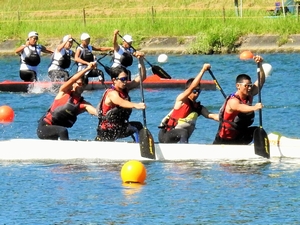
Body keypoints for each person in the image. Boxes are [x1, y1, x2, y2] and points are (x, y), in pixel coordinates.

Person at [158, 63, 219, 143]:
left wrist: (227, 119)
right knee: (184, 132)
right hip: (166, 135)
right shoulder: (182, 100)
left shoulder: (199, 108)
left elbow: (212, 116)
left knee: (184, 133)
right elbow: (192, 87)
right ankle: (185, 152)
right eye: (194, 91)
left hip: (178, 137)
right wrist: (203, 70)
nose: (197, 93)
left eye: (199, 91)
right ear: (188, 91)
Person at [37, 62, 98, 140]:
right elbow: (73, 79)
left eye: (83, 85)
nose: (81, 86)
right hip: (44, 127)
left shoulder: (83, 104)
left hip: (55, 131)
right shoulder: (64, 91)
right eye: (79, 83)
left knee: (61, 131)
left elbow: (97, 112)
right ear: (73, 84)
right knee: (63, 131)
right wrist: (88, 69)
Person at [213, 55, 265, 145]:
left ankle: (259, 149)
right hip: (225, 139)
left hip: (239, 135)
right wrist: (255, 107)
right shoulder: (233, 101)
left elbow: (261, 80)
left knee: (257, 130)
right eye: (246, 86)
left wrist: (260, 65)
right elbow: (240, 107)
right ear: (238, 86)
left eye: (250, 85)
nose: (249, 88)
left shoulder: (250, 94)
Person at [95, 56, 147, 142]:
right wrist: (136, 105)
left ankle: (140, 146)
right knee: (135, 128)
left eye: (126, 79)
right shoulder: (111, 94)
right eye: (122, 79)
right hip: (107, 131)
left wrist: (141, 60)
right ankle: (139, 146)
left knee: (138, 126)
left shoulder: (125, 88)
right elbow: (121, 102)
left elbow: (142, 77)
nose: (125, 81)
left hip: (120, 127)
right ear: (114, 80)